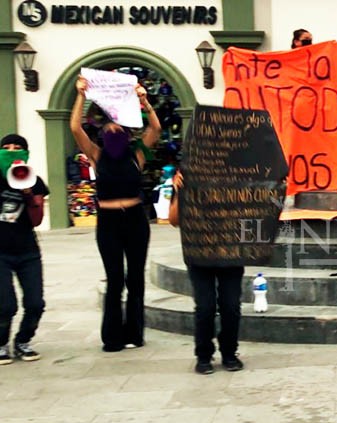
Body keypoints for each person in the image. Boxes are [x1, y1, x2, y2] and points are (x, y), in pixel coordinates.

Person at [70, 75, 161, 351]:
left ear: (126, 132)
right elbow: (75, 128)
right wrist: (81, 95)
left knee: (135, 278)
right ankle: (112, 337)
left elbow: (155, 128)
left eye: (118, 127)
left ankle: (135, 333)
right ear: (102, 133)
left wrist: (144, 101)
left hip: (135, 220)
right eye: (108, 128)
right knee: (115, 279)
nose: (113, 131)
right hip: (108, 222)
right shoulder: (97, 154)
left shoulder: (137, 155)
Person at [168, 171, 245, 375]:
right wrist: (177, 191)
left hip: (230, 253)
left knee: (231, 305)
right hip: (200, 253)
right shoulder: (186, 177)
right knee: (205, 306)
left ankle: (229, 352)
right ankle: (203, 355)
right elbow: (174, 220)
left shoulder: (240, 175)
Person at [0, 134, 48, 364]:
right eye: (6, 147)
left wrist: (29, 196)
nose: (11, 151)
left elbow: (37, 219)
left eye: (17, 147)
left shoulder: (33, 180)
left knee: (35, 303)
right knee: (5, 304)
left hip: (27, 250)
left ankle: (23, 341)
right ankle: (1, 344)